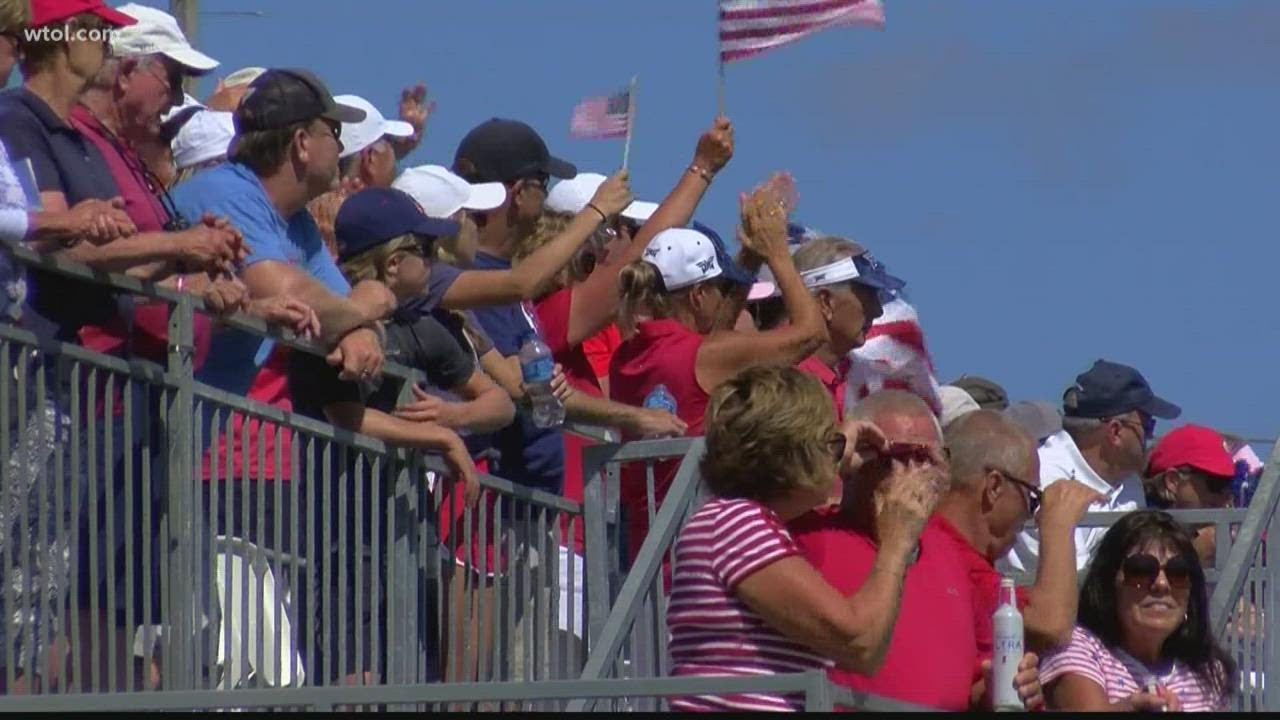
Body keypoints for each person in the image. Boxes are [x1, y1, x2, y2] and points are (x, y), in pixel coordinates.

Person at [287, 186, 501, 685]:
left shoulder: (421, 326)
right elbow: (342, 414)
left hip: (407, 530)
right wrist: (439, 440)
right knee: (352, 678)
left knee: (412, 677)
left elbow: (500, 403)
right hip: (341, 527)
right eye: (425, 252)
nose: (436, 260)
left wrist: (449, 419)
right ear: (393, 264)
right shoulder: (336, 317)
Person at [669, 366, 945, 711]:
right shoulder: (737, 523)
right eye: (828, 442)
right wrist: (896, 541)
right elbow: (860, 642)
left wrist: (836, 453)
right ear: (792, 454)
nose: (836, 454)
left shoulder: (736, 520)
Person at [610, 178, 825, 558]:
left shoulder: (627, 355)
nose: (727, 298)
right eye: (719, 288)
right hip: (697, 544)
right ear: (697, 296)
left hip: (648, 547)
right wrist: (778, 254)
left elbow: (715, 336)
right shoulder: (703, 355)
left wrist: (750, 256)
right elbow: (810, 333)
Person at [789, 390, 1042, 710]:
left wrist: (1001, 687)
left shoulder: (950, 551)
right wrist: (832, 453)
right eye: (893, 454)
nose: (912, 472)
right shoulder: (805, 533)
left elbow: (976, 683)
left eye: (927, 458)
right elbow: (744, 497)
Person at [932, 410, 1103, 658]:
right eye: (1033, 498)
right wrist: (1058, 525)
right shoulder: (946, 554)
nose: (1032, 514)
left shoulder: (949, 550)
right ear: (994, 488)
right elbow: (1050, 625)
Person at [1041, 510, 1236, 711]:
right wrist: (1130, 707)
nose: (1162, 584)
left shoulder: (1208, 672)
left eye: (1178, 572)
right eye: (1141, 570)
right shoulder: (1075, 648)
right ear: (1108, 583)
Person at [1003, 359, 1182, 575]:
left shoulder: (1129, 483)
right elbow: (1075, 580)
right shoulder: (1043, 474)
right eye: (1147, 426)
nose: (1151, 437)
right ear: (1115, 431)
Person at [787, 235, 905, 420]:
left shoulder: (837, 383)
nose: (878, 311)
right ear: (826, 302)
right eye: (867, 296)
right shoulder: (785, 381)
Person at [1142, 424, 1235, 566]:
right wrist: (1196, 559)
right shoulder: (1138, 535)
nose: (1225, 496)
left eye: (1229, 484)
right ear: (1173, 481)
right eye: (1216, 483)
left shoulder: (1228, 536)